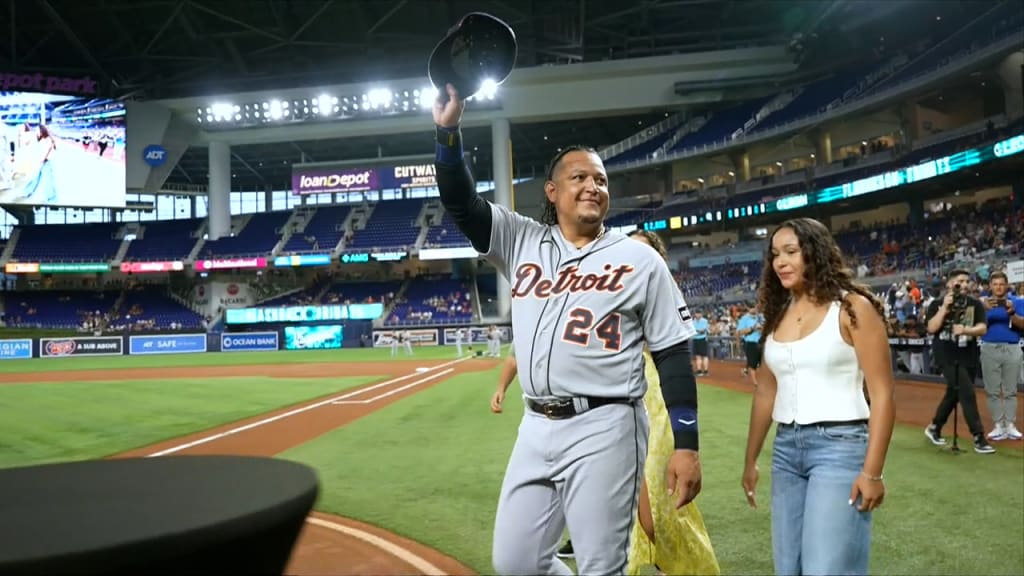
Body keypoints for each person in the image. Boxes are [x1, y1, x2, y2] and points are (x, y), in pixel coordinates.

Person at [433, 83, 702, 576]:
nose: (593, 186)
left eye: (600, 179)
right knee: (517, 564)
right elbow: (460, 202)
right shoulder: (521, 240)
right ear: (552, 192)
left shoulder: (639, 259)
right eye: (579, 177)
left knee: (602, 565)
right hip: (535, 425)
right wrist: (447, 133)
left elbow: (673, 353)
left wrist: (687, 444)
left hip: (606, 423)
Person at [491, 230, 721, 576]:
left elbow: (673, 355)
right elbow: (524, 352)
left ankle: (668, 565)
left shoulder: (655, 289)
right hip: (607, 401)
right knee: (615, 508)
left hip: (652, 400)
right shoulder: (595, 291)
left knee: (656, 506)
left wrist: (687, 442)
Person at [741, 217, 896, 576]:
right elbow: (766, 390)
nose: (780, 261)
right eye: (775, 254)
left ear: (815, 253)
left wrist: (872, 473)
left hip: (840, 448)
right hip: (786, 452)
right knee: (788, 568)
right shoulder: (778, 314)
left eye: (791, 252)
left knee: (826, 569)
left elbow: (883, 394)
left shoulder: (852, 308)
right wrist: (750, 461)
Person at [923, 268, 996, 454]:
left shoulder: (975, 304)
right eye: (960, 281)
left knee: (954, 394)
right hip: (945, 353)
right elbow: (932, 327)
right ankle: (979, 437)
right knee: (966, 392)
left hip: (968, 354)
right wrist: (945, 308)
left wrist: (965, 330)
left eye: (966, 281)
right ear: (950, 284)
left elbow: (982, 328)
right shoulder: (937, 303)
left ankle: (934, 427)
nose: (963, 284)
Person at [979, 271, 1024, 441]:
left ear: (1006, 285)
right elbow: (974, 325)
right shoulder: (983, 304)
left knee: (1011, 390)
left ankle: (1010, 426)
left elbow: (1023, 324)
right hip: (989, 348)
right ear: (990, 286)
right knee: (992, 390)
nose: (998, 287)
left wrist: (1011, 312)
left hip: (1012, 347)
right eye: (995, 284)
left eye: (1001, 284)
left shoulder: (1017, 302)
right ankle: (999, 425)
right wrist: (984, 309)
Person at [736, 303, 763, 385]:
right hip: (750, 343)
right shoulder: (744, 319)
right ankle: (755, 383)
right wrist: (752, 328)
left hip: (762, 341)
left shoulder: (760, 317)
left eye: (754, 307)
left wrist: (762, 328)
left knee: (764, 363)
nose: (753, 309)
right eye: (751, 307)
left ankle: (763, 381)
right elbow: (739, 332)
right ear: (748, 308)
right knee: (752, 364)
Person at [691, 310, 710, 376]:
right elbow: (692, 331)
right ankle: (699, 370)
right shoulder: (693, 321)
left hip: (702, 339)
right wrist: (697, 331)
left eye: (699, 313)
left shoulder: (704, 321)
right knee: (698, 356)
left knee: (705, 356)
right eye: (696, 313)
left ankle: (706, 370)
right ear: (695, 314)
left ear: (701, 314)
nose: (698, 315)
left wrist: (696, 331)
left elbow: (703, 330)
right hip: (695, 339)